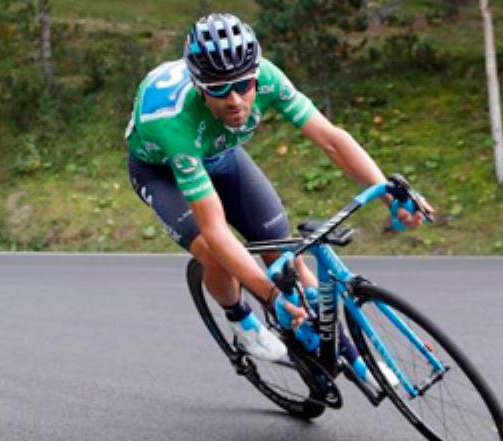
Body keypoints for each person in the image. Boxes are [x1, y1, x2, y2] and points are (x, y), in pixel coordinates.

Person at [126, 13, 423, 373]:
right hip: (162, 170)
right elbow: (216, 229)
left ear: (255, 75)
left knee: (282, 250)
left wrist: (389, 195)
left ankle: (353, 357)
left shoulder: (267, 77)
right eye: (219, 89)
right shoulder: (174, 122)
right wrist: (270, 297)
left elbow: (331, 139)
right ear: (199, 87)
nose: (235, 100)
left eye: (243, 85)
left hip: (220, 154)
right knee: (212, 251)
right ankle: (241, 322)